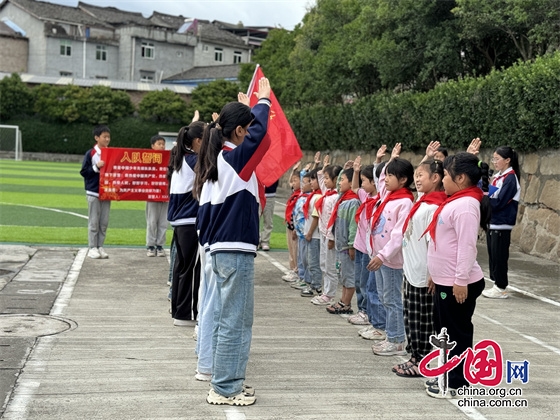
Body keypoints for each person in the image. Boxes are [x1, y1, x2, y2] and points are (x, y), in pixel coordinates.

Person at [195, 78, 271, 406]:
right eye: (246, 128)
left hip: (219, 248)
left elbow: (257, 140)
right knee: (236, 321)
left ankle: (226, 377)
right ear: (239, 132)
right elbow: (260, 137)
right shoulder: (233, 160)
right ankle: (226, 387)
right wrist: (263, 102)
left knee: (229, 317)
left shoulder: (216, 162)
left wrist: (250, 110)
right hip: (233, 249)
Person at [424, 152, 490, 398]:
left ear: (461, 178)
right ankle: (446, 373)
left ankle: (457, 383)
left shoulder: (466, 206)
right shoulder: (456, 201)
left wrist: (460, 281)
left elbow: (466, 247)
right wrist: (434, 274)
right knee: (443, 330)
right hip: (445, 281)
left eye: (447, 177)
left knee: (456, 333)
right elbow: (442, 243)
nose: (442, 181)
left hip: (457, 284)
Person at [396, 155, 447, 377]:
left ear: (435, 178)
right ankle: (414, 355)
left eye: (421, 175)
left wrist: (432, 274)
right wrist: (427, 157)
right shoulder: (423, 202)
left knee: (422, 320)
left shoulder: (433, 207)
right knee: (410, 316)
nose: (416, 179)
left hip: (422, 274)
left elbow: (434, 244)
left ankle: (422, 359)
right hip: (410, 270)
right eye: (415, 175)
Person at [367, 144, 414, 356]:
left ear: (403, 180)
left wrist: (383, 255)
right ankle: (390, 334)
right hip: (380, 258)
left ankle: (396, 340)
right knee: (385, 298)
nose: (385, 179)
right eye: (385, 175)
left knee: (392, 299)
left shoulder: (404, 201)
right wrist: (389, 160)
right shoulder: (389, 196)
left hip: (391, 261)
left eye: (390, 176)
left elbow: (398, 234)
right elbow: (380, 182)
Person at [167, 121, 206, 326]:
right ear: (198, 141)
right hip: (190, 220)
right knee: (191, 269)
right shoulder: (193, 160)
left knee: (181, 267)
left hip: (181, 221)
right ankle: (187, 314)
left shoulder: (180, 157)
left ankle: (178, 310)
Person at [482, 146, 520, 299]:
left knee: (500, 256)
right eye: (493, 159)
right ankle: (496, 284)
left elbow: (498, 202)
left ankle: (501, 286)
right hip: (493, 222)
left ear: (507, 160)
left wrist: (486, 202)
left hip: (502, 223)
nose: (494, 162)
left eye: (497, 159)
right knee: (493, 255)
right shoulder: (498, 176)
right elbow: (489, 196)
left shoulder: (511, 178)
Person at [348, 156, 378, 327]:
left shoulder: (380, 198)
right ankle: (361, 309)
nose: (362, 184)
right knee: (359, 280)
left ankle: (367, 312)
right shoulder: (365, 195)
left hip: (369, 249)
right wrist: (357, 171)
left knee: (368, 283)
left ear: (375, 182)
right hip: (360, 245)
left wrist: (379, 160)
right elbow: (354, 187)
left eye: (365, 181)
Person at [326, 167, 361, 315]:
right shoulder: (343, 198)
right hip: (341, 246)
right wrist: (345, 169)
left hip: (347, 246)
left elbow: (354, 225)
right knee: (343, 274)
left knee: (349, 275)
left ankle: (346, 303)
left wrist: (352, 245)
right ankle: (342, 300)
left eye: (342, 179)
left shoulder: (353, 202)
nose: (339, 182)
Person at [311, 157, 342, 305]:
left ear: (337, 179)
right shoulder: (328, 193)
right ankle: (325, 291)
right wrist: (323, 167)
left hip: (330, 236)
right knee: (323, 263)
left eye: (328, 178)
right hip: (323, 233)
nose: (325, 181)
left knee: (330, 266)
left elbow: (333, 218)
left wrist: (331, 237)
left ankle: (329, 294)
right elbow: (320, 179)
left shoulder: (335, 197)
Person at [80, 125, 111, 259]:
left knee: (103, 222)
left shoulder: (111, 153)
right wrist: (96, 167)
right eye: (104, 137)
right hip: (94, 192)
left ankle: (100, 246)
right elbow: (84, 172)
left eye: (108, 137)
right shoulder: (91, 154)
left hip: (108, 192)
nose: (107, 139)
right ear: (97, 138)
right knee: (94, 221)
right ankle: (92, 247)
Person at [301, 169, 323, 297]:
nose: (312, 182)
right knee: (309, 260)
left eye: (314, 179)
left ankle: (316, 286)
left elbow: (316, 217)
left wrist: (309, 232)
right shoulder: (313, 195)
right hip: (310, 233)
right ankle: (314, 284)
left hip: (315, 235)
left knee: (313, 261)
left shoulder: (318, 197)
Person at [145, 135, 169, 257]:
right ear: (152, 146)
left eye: (163, 144)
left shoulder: (169, 158)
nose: (162, 146)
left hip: (165, 195)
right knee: (152, 221)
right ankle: (150, 246)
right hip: (152, 195)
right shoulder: (147, 159)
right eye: (159, 144)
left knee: (163, 222)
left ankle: (160, 246)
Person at [290, 169, 312, 291]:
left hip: (306, 234)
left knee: (307, 259)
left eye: (306, 182)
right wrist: (295, 229)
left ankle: (306, 279)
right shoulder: (302, 196)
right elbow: (297, 214)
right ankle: (301, 277)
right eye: (302, 182)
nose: (303, 185)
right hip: (299, 233)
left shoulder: (310, 197)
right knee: (301, 257)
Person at [282, 166, 302, 282]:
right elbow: (290, 181)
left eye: (296, 181)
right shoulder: (294, 192)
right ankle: (292, 268)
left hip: (296, 227)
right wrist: (293, 171)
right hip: (289, 225)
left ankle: (297, 270)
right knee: (290, 248)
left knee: (296, 250)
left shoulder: (301, 194)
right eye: (293, 181)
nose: (293, 183)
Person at [260, 180, 279, 251]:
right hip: (258, 193)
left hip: (270, 195)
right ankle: (256, 240)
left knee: (268, 219)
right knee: (255, 218)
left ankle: (265, 241)